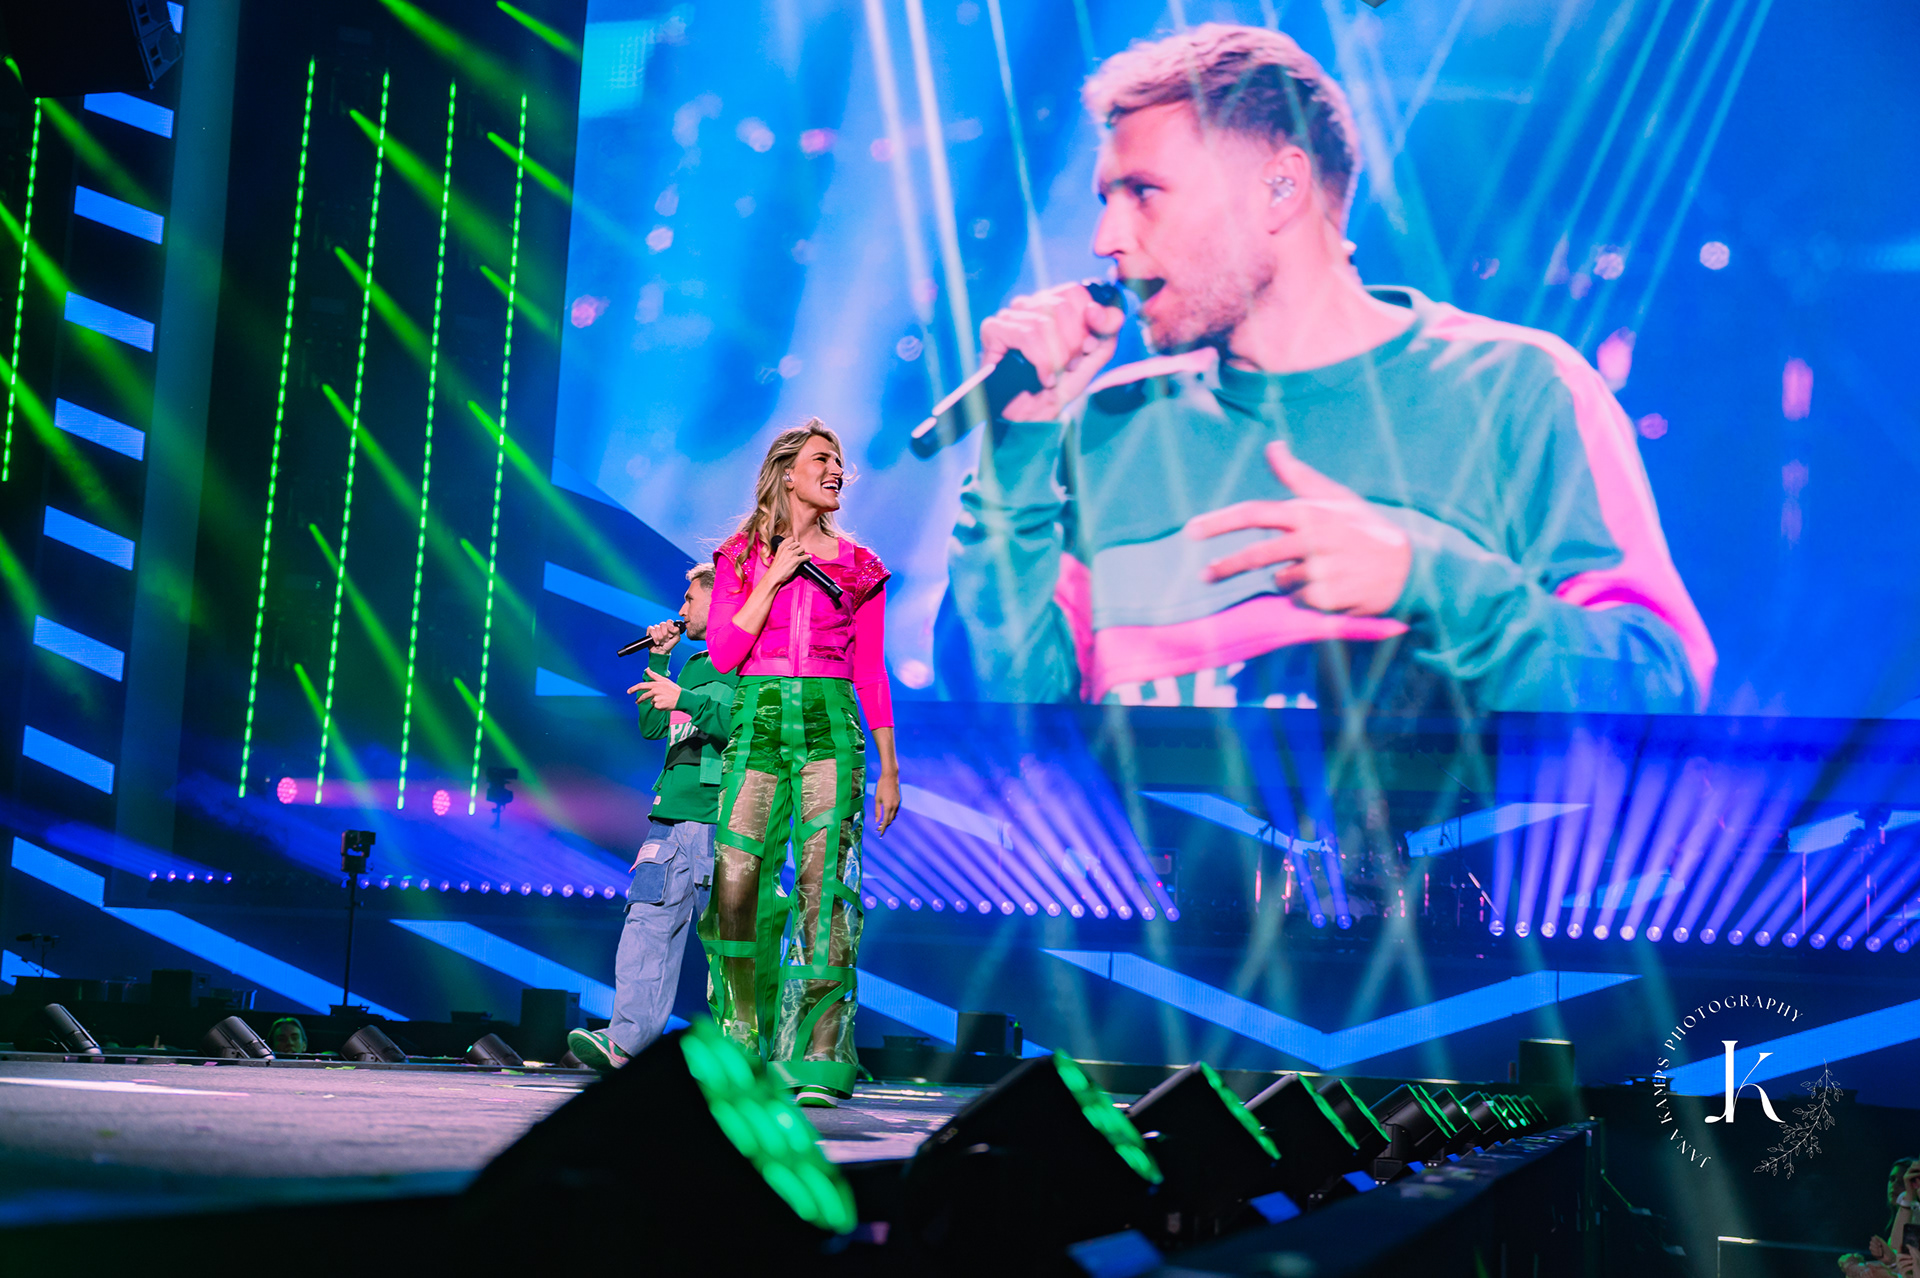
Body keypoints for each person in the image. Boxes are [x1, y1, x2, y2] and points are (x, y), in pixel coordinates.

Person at [943, 23, 1714, 716]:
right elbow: (991, 724)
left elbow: (1657, 690)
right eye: (1106, 198)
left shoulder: (1516, 389)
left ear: (1281, 187)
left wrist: (1423, 582)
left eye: (1144, 193)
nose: (1107, 238)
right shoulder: (1099, 432)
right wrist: (1017, 447)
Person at [701, 420, 900, 1107]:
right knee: (736, 883)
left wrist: (890, 767)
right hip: (757, 721)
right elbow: (725, 652)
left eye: (840, 461)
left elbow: (871, 671)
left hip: (829, 726)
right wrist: (773, 576)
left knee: (826, 889)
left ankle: (816, 1054)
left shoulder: (859, 565)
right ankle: (738, 1045)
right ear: (788, 473)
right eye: (823, 459)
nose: (837, 470)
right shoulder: (741, 556)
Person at [568, 565, 736, 1074]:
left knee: (731, 941)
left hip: (721, 819)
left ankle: (743, 1053)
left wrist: (687, 700)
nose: (680, 611)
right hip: (668, 819)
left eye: (689, 599)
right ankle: (625, 1044)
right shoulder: (695, 664)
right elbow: (653, 726)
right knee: (645, 926)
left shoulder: (752, 663)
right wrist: (659, 658)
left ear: (720, 601)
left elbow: (742, 726)